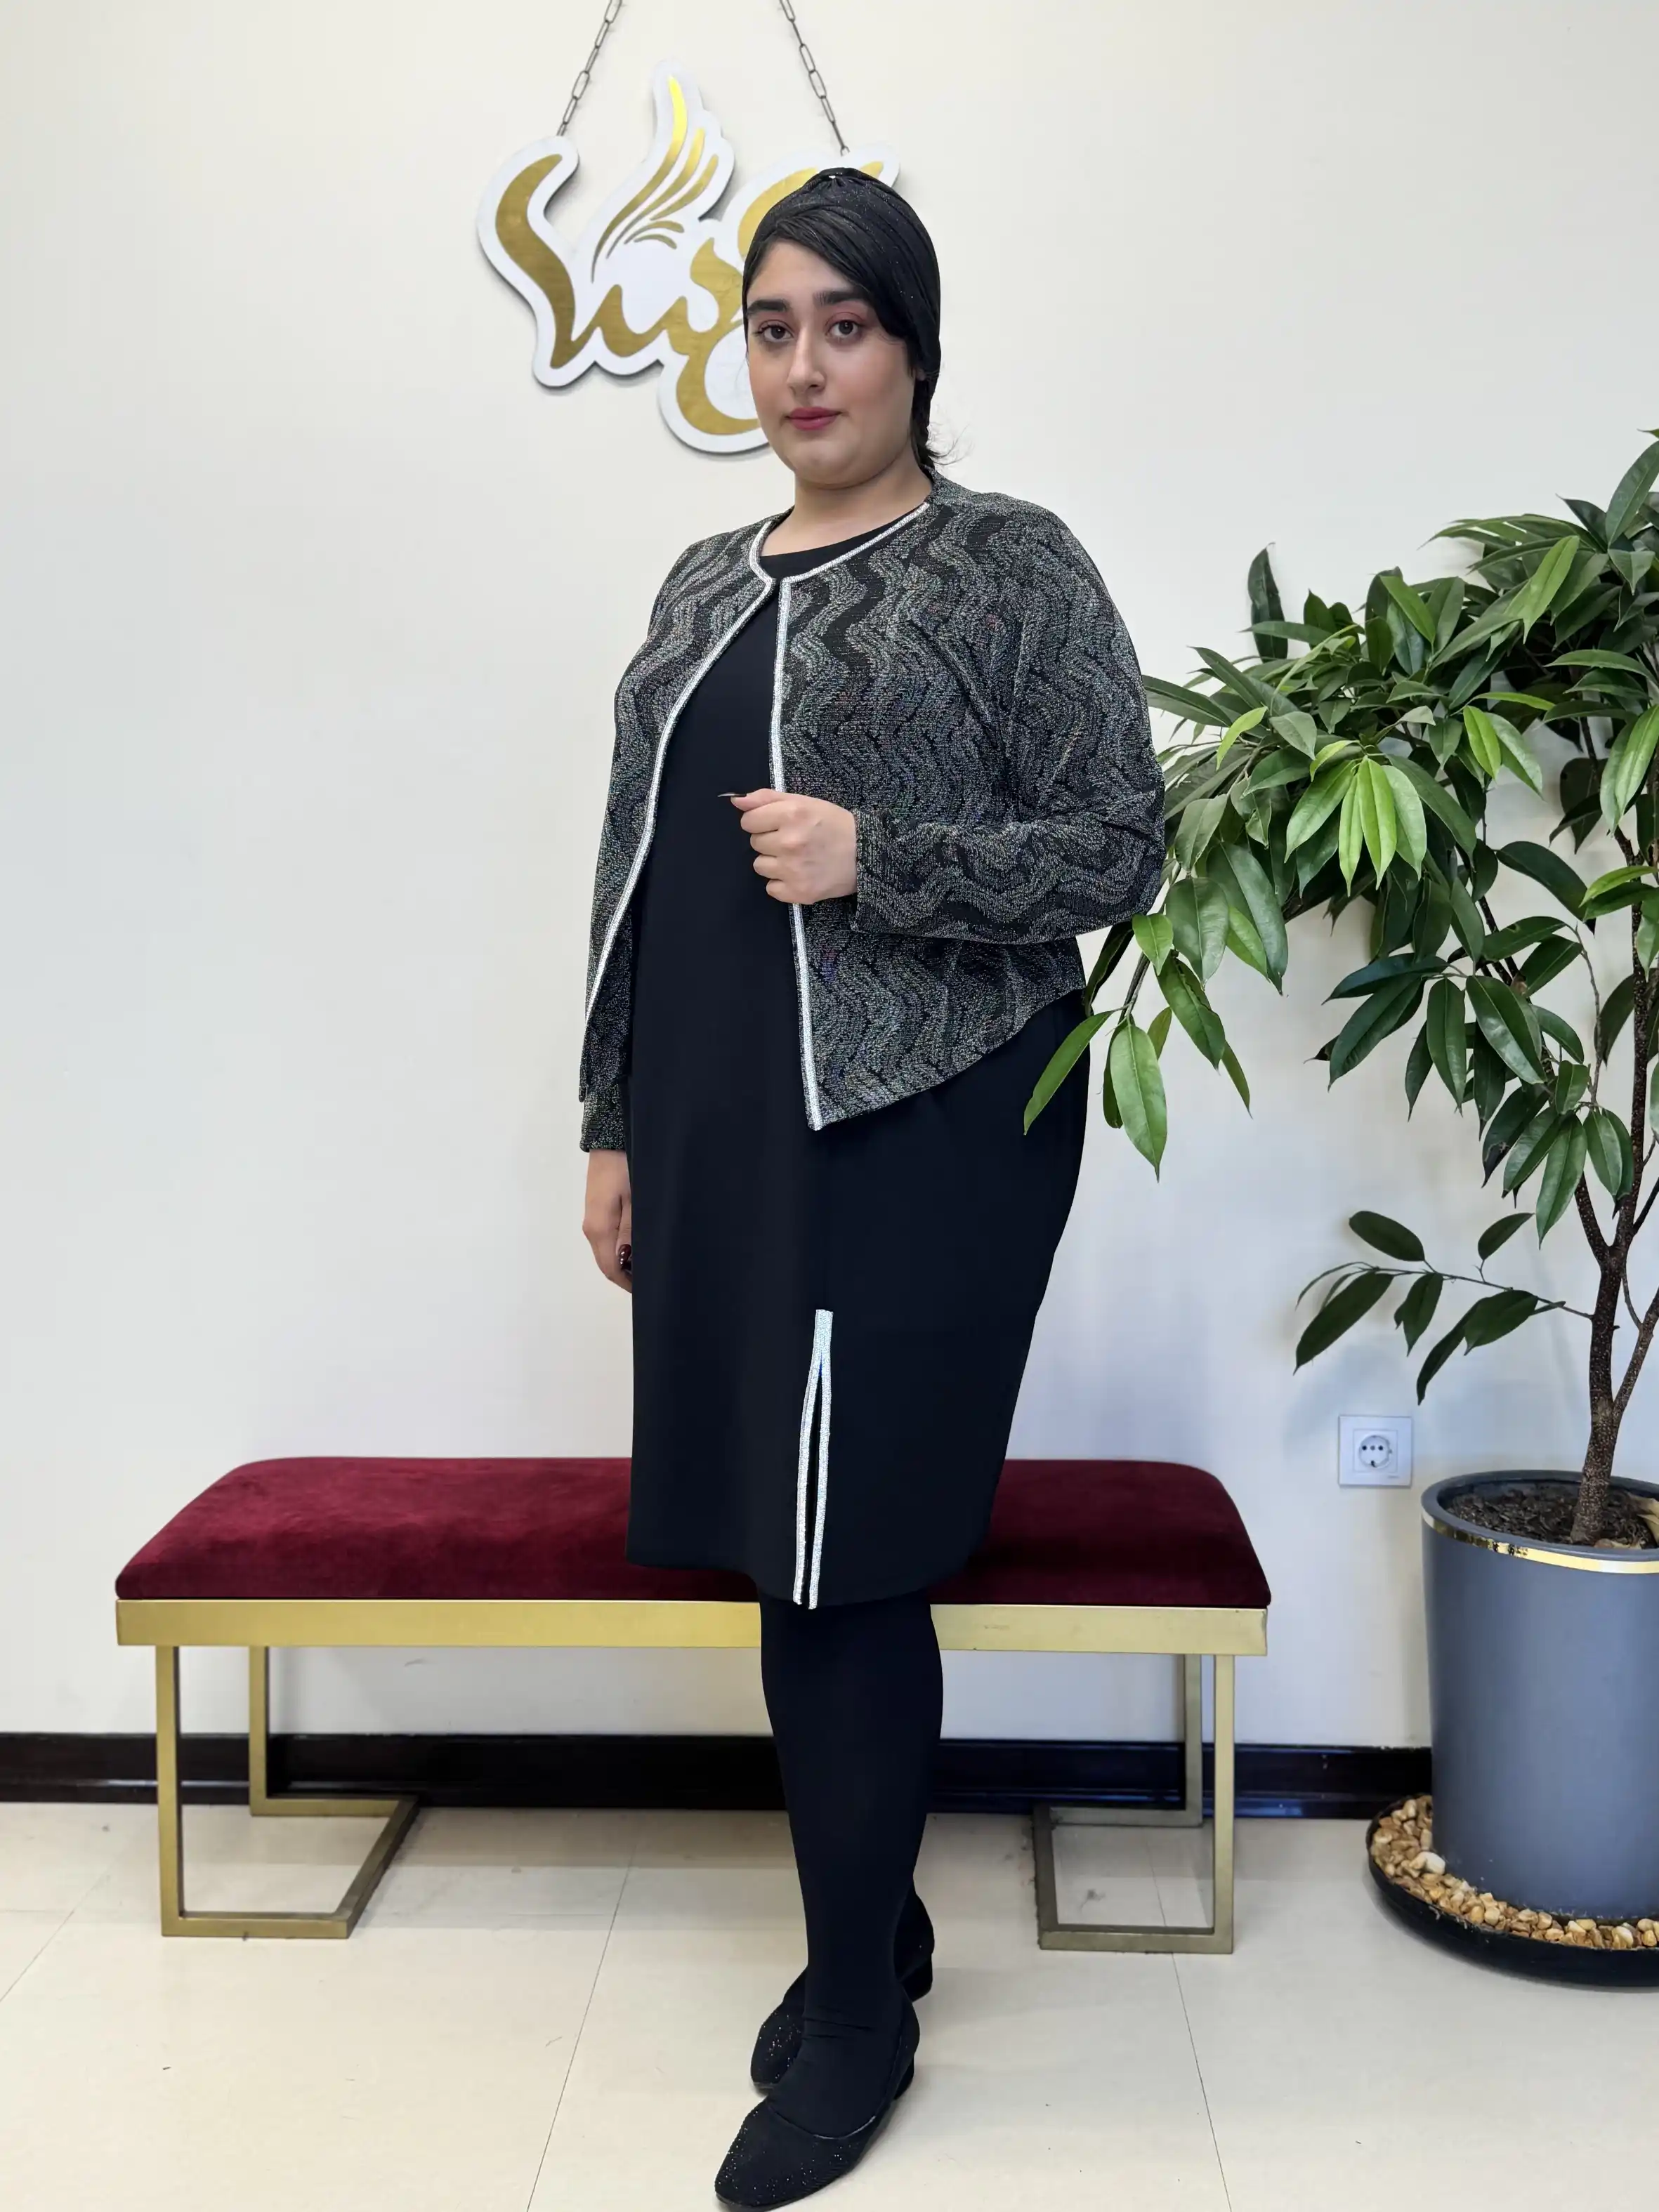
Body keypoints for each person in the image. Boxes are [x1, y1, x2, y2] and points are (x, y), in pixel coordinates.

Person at [577, 166, 1164, 2206]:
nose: (805, 366)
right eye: (773, 327)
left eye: (846, 325)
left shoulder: (1005, 564)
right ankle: (874, 1917)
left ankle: (856, 2022)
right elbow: (630, 868)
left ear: (914, 350)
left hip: (925, 1121)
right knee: (781, 1535)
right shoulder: (700, 578)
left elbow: (1123, 838)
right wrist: (609, 1119)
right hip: (723, 1125)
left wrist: (877, 856)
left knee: (845, 1555)